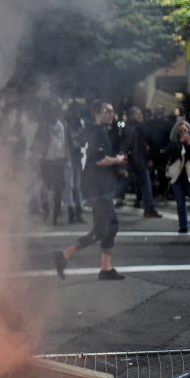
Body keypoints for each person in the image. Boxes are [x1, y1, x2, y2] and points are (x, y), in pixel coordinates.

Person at [53, 101, 127, 281]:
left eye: (112, 111)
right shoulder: (98, 132)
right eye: (106, 111)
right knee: (102, 230)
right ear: (96, 114)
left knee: (112, 227)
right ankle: (63, 255)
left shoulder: (94, 131)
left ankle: (105, 269)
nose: (111, 114)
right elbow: (100, 160)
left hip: (99, 185)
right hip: (98, 187)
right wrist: (118, 160)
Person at [121, 107, 161, 218]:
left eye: (139, 113)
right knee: (142, 184)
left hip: (138, 161)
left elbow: (148, 143)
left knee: (143, 184)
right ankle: (148, 208)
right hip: (134, 161)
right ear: (131, 115)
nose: (140, 116)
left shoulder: (139, 127)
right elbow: (125, 144)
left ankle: (148, 208)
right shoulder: (130, 127)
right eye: (137, 114)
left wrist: (149, 158)